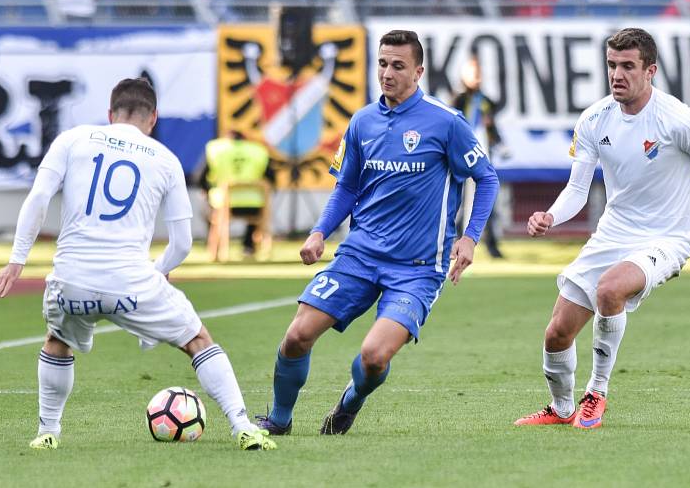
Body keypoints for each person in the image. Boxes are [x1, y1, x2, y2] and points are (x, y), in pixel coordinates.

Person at [0, 78, 277, 451]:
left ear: (110, 114)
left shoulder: (72, 139)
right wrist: (155, 276)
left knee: (57, 341)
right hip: (133, 283)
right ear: (152, 118)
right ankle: (242, 426)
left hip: (72, 279)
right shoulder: (165, 159)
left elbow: (38, 197)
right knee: (197, 339)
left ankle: (48, 432)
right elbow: (182, 244)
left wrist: (15, 261)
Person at [254, 30, 499, 436]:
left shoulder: (446, 123)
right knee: (296, 336)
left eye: (398, 66)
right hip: (359, 256)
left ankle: (350, 401)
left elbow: (486, 178)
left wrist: (470, 237)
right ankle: (278, 421)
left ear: (418, 71)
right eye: (382, 63)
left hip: (418, 269)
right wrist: (319, 232)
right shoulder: (362, 121)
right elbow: (347, 187)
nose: (387, 73)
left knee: (373, 358)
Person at [514, 28, 690, 430]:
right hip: (612, 234)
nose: (617, 74)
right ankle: (561, 408)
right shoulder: (594, 119)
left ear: (650, 71)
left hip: (667, 237)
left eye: (627, 66)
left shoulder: (675, 118)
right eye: (611, 65)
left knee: (610, 289)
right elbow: (577, 188)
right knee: (556, 334)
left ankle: (597, 393)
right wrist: (552, 216)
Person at [452, 55, 505, 258]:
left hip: (482, 157)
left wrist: (497, 140)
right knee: (460, 203)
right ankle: (455, 241)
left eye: (478, 73)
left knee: (486, 199)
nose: (476, 77)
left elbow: (492, 128)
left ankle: (491, 245)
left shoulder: (485, 101)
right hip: (461, 159)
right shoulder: (458, 99)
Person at [202, 130, 273, 259]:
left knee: (210, 208)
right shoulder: (258, 151)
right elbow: (271, 179)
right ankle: (249, 245)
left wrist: (207, 192)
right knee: (257, 212)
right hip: (255, 204)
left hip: (224, 204)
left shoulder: (216, 150)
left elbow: (201, 179)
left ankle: (215, 248)